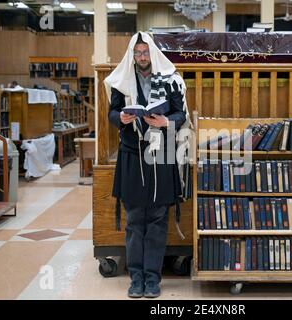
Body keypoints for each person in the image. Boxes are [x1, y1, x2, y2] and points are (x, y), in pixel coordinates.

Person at [104, 32, 189, 298]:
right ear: (132, 55)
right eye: (137, 53)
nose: (141, 57)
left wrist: (167, 123)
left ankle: (152, 279)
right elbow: (112, 112)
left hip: (160, 154)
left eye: (145, 53)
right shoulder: (121, 81)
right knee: (134, 220)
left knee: (157, 219)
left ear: (152, 53)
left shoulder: (171, 79)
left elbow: (180, 113)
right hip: (131, 153)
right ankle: (136, 278)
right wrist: (122, 118)